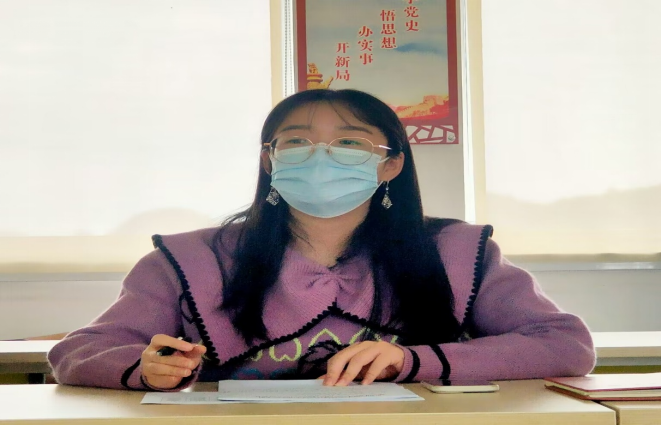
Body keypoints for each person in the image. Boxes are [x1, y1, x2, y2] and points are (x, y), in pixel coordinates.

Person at [48, 89, 596, 391]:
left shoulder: (458, 251)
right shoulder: (189, 258)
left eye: (350, 143)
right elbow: (77, 351)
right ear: (270, 161)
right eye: (296, 142)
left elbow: (565, 344)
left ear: (391, 166)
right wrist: (145, 367)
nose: (320, 157)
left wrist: (411, 361)